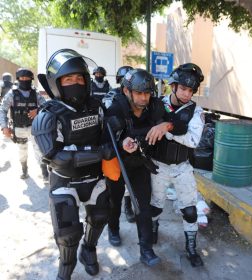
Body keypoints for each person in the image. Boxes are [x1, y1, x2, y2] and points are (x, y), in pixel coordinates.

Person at [31, 49, 114, 280]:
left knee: (99, 219)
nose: (75, 83)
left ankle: (89, 250)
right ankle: (65, 271)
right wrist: (99, 153)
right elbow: (56, 156)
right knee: (68, 235)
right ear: (57, 84)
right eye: (68, 79)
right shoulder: (48, 115)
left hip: (95, 179)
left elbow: (106, 136)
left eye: (79, 78)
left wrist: (116, 133)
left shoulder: (96, 107)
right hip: (65, 180)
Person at [103, 68, 171, 266]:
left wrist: (164, 125)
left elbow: (173, 122)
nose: (144, 98)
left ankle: (146, 250)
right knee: (114, 201)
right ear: (127, 91)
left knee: (143, 207)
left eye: (147, 93)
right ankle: (113, 228)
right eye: (139, 93)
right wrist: (122, 141)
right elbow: (104, 142)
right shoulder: (115, 109)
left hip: (139, 162)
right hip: (117, 162)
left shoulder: (155, 107)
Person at [147, 63, 205, 267]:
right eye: (183, 88)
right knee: (154, 207)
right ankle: (152, 230)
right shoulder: (157, 105)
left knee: (190, 210)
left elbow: (192, 140)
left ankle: (191, 248)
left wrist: (168, 129)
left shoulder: (196, 111)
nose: (187, 94)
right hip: (158, 166)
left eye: (191, 90)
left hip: (182, 167)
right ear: (173, 86)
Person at [0, 68, 48, 180]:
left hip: (34, 127)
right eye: (22, 78)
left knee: (39, 150)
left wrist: (38, 110)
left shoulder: (35, 93)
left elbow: (46, 106)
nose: (24, 80)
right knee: (22, 151)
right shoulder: (12, 93)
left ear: (31, 79)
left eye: (27, 78)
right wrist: (4, 127)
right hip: (19, 128)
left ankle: (45, 173)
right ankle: (24, 171)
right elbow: (2, 110)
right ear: (18, 79)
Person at [104, 65, 136, 227]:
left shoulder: (137, 97)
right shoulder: (111, 97)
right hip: (114, 149)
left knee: (129, 185)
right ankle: (113, 227)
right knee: (113, 192)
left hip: (131, 149)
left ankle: (128, 207)